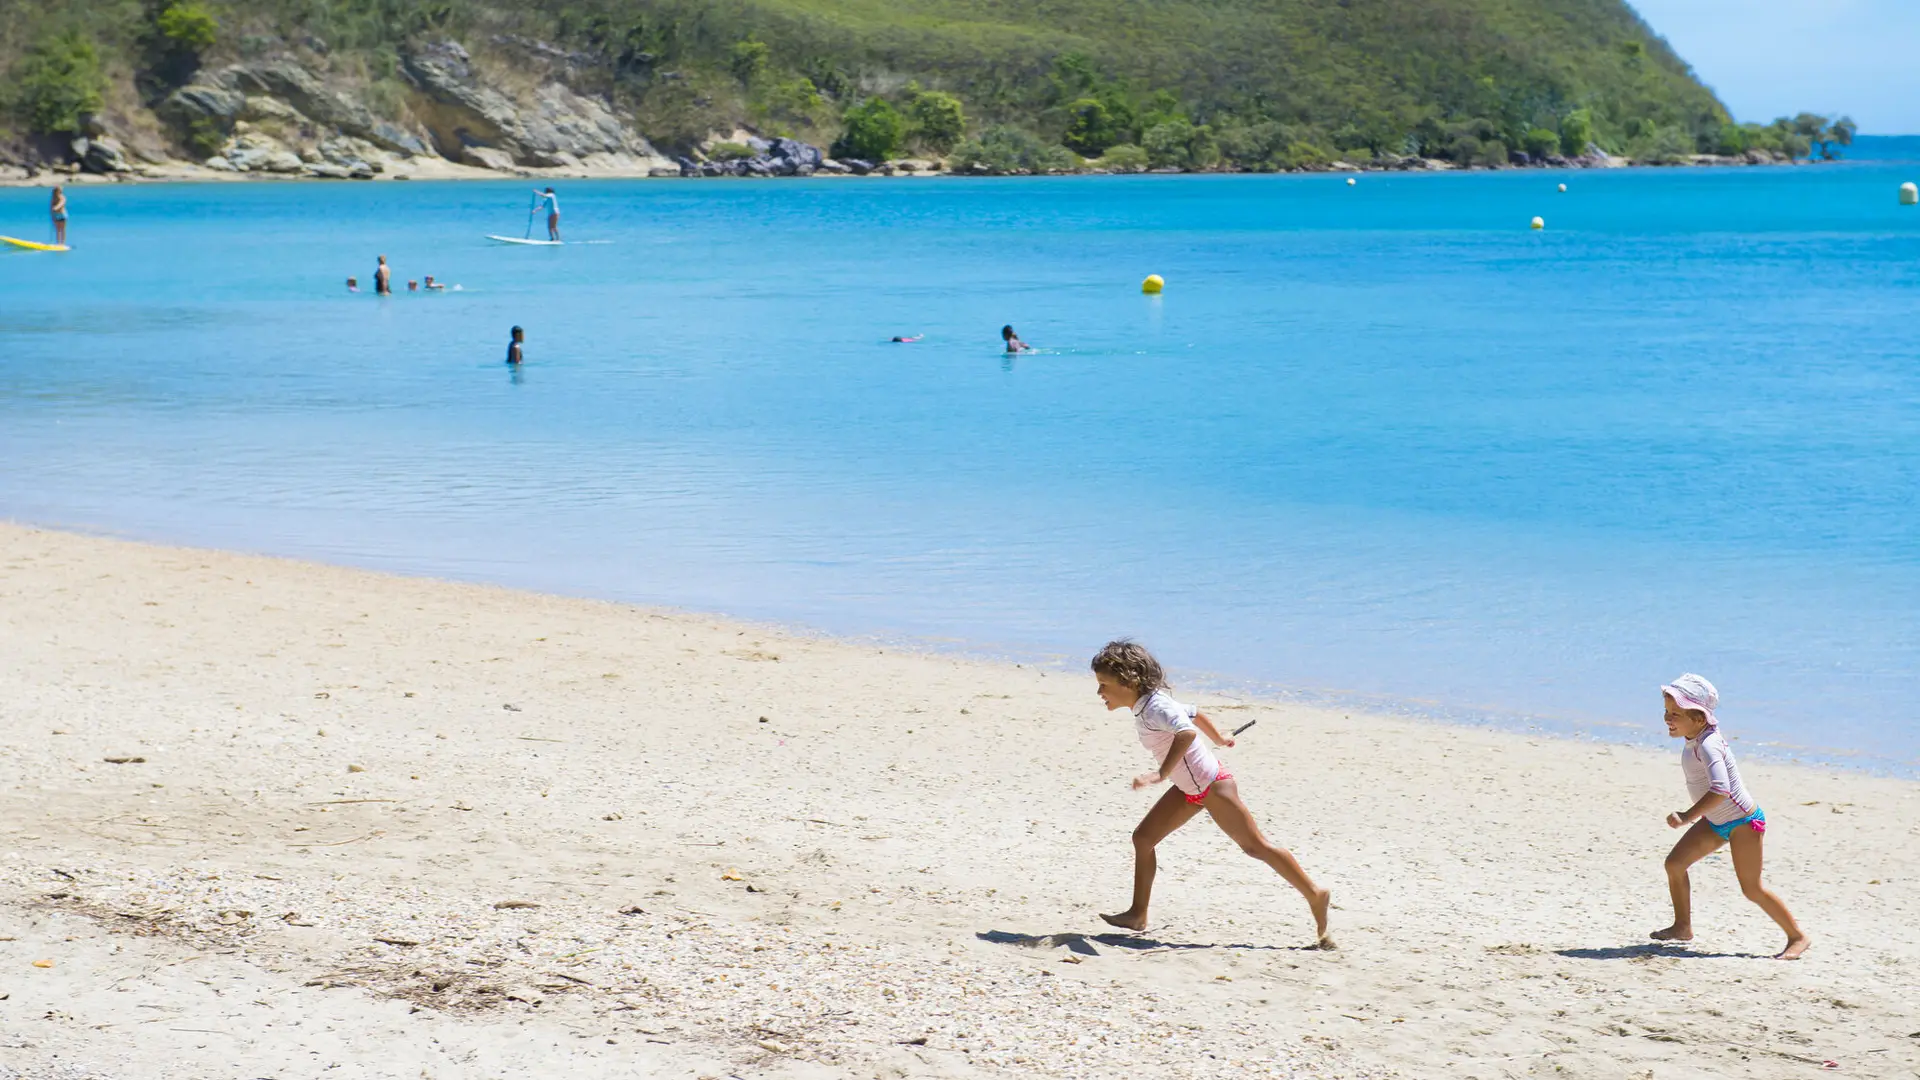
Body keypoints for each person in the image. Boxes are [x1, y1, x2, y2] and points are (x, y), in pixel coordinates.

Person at [1090, 640, 1332, 945]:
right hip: (1190, 789)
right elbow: (1193, 713)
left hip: (1213, 787)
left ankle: (1315, 894)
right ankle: (1138, 914)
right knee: (1143, 839)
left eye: (1103, 684)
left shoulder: (1156, 708)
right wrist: (1220, 737)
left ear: (1129, 681)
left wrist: (1161, 773)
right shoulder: (1151, 704)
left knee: (1255, 847)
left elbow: (1187, 731)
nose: (1099, 693)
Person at [1651, 674, 1811, 960]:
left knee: (1751, 889)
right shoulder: (1693, 738)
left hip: (1743, 824)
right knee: (1675, 864)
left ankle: (1797, 937)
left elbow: (1722, 790)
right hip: (1716, 822)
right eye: (1666, 711)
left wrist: (1687, 816)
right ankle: (1682, 926)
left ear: (1700, 718)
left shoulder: (1709, 744)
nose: (1667, 718)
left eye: (1675, 714)